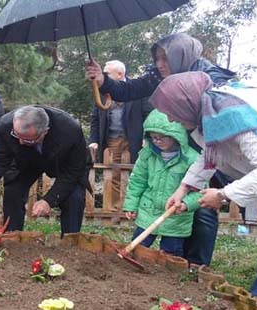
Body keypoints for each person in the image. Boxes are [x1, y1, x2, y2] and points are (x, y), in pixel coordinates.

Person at [152, 71, 257, 309]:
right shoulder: (209, 113)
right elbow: (210, 154)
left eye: (171, 111)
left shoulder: (233, 115)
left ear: (185, 104)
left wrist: (223, 195)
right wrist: (183, 188)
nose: (170, 120)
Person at [85, 32, 236, 266]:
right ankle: (176, 259)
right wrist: (103, 81)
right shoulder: (158, 76)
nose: (159, 65)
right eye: (156, 59)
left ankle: (196, 265)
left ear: (180, 56)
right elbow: (129, 90)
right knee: (172, 202)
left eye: (165, 59)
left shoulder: (209, 76)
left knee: (202, 208)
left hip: (205, 148)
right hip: (171, 147)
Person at [0, 105, 90, 236]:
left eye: (26, 139)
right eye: (16, 135)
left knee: (74, 197)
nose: (20, 142)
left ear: (44, 132)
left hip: (64, 164)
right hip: (26, 161)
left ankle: (71, 243)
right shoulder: (6, 124)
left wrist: (48, 200)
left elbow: (73, 172)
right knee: (13, 192)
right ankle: (12, 238)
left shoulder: (70, 130)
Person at [123, 110, 201, 257]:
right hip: (148, 212)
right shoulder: (147, 155)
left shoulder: (192, 159)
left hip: (175, 218)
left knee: (170, 254)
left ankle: (168, 278)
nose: (157, 141)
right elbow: (138, 180)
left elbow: (200, 192)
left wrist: (185, 204)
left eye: (161, 137)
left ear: (176, 135)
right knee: (138, 248)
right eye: (153, 137)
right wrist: (131, 204)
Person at [88, 60, 152, 211]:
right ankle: (116, 210)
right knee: (114, 174)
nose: (104, 76)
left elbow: (148, 114)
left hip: (136, 140)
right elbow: (95, 119)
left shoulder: (137, 89)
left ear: (120, 74)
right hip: (113, 140)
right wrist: (94, 140)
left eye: (107, 73)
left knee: (138, 174)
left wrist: (147, 137)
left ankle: (136, 208)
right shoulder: (101, 91)